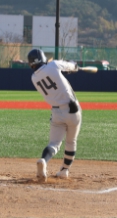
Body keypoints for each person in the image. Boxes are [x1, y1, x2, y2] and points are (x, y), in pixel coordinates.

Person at [28, 49, 82, 181]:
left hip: (56, 112)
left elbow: (52, 74)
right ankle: (64, 171)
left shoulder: (34, 78)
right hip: (72, 110)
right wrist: (74, 66)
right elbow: (72, 66)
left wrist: (63, 70)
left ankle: (44, 160)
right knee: (71, 142)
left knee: (54, 144)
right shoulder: (53, 65)